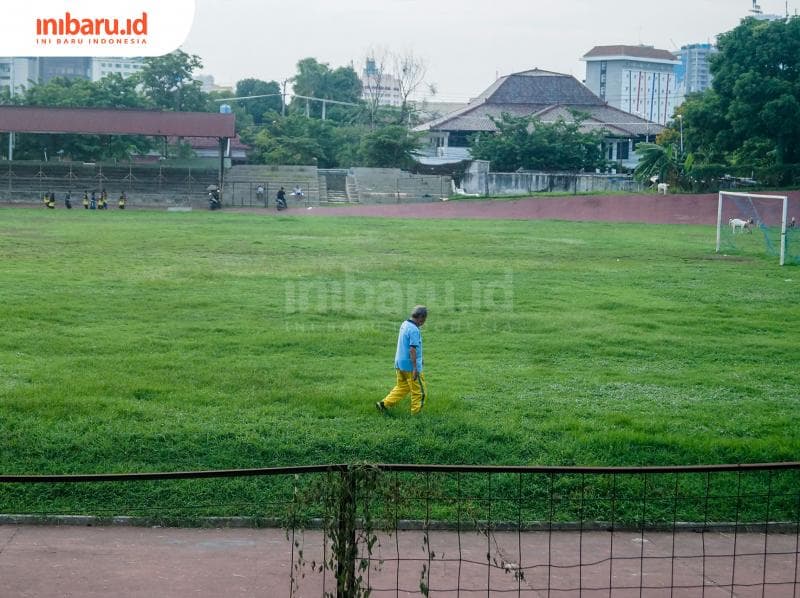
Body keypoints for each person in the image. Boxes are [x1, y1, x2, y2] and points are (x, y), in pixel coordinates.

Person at [376, 306, 428, 415]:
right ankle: (416, 415)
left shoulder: (405, 324)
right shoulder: (414, 329)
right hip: (410, 367)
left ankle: (384, 404)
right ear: (421, 318)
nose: (423, 322)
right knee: (419, 392)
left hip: (400, 364)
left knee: (402, 387)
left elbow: (408, 345)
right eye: (424, 320)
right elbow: (412, 349)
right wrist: (415, 368)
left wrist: (420, 357)